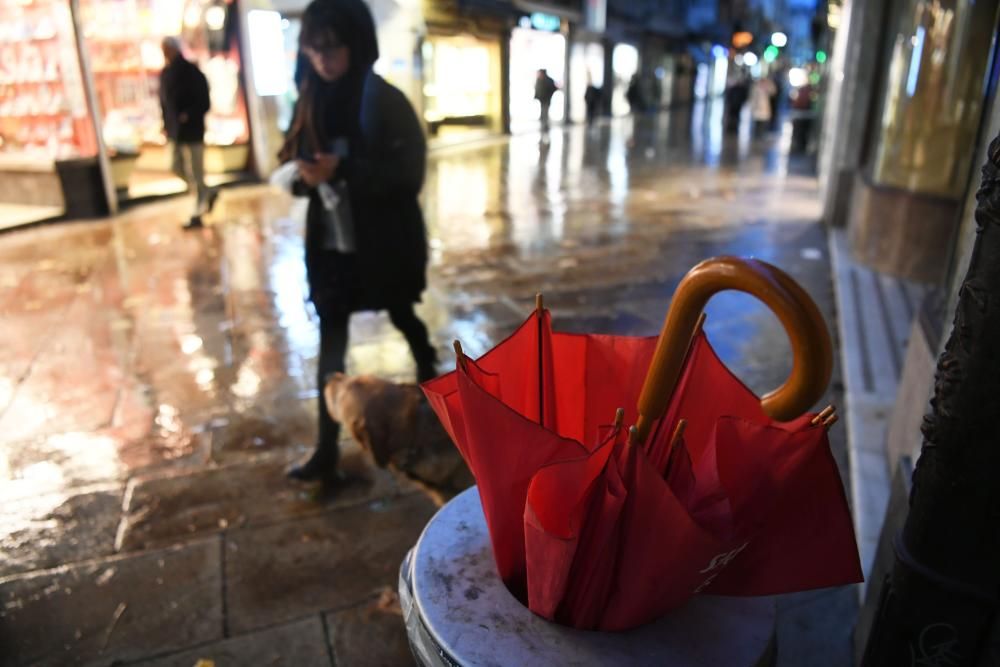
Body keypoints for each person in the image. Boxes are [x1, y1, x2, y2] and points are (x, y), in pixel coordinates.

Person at [280, 0, 438, 487]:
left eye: (333, 48)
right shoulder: (309, 97)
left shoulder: (381, 99)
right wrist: (302, 178)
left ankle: (440, 399)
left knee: (404, 317)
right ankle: (326, 450)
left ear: (356, 44)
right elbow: (288, 157)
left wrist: (344, 169)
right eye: (314, 48)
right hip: (332, 248)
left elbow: (408, 174)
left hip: (383, 245)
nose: (323, 59)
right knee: (331, 343)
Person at [159, 37, 217, 230]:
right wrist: (166, 123)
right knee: (175, 166)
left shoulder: (192, 72)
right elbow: (165, 103)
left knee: (196, 170)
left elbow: (204, 102)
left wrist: (188, 115)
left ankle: (198, 210)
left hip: (193, 130)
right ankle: (207, 193)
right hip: (175, 132)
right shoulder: (166, 73)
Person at [534, 69, 558, 133]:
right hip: (541, 99)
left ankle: (545, 125)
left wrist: (549, 95)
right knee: (543, 112)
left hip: (547, 99)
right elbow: (537, 89)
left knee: (545, 112)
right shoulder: (539, 80)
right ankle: (543, 125)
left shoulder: (548, 80)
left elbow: (554, 88)